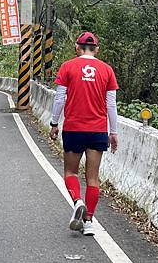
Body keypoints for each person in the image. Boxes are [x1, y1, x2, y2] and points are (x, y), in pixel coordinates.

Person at [49, 32, 119, 236]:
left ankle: (77, 201)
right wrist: (113, 132)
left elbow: (60, 98)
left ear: (77, 48)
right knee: (93, 178)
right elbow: (111, 104)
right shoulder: (107, 70)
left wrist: (54, 123)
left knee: (71, 173)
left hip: (73, 128)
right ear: (96, 49)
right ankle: (89, 221)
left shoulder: (67, 67)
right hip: (97, 130)